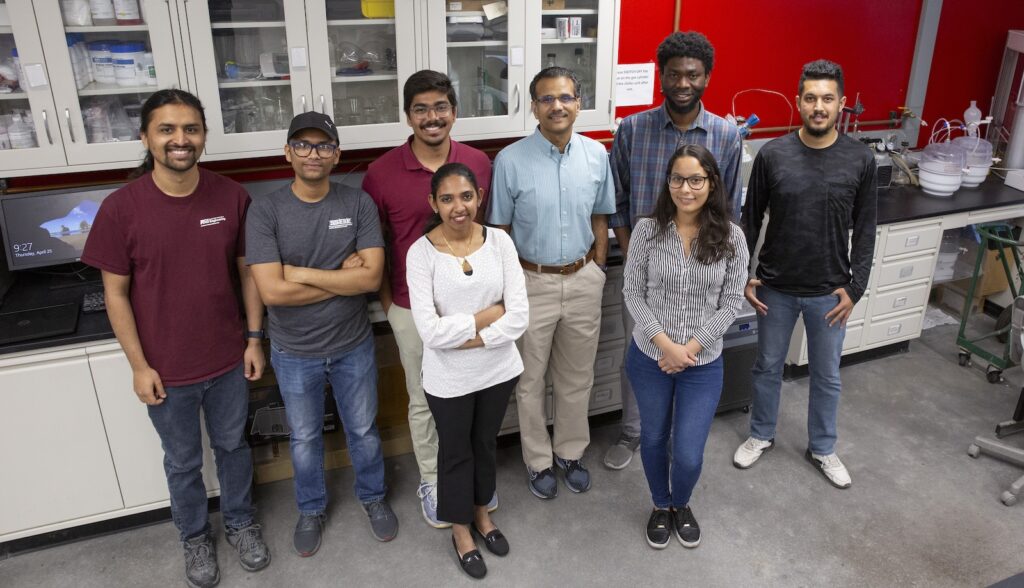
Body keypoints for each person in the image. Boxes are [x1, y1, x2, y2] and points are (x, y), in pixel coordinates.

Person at [81, 89, 270, 588]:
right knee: (184, 461)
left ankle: (240, 523)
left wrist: (253, 339)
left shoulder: (231, 196)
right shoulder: (122, 208)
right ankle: (193, 536)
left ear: (204, 137)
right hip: (166, 370)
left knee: (233, 448)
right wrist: (139, 367)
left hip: (228, 358)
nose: (179, 140)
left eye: (190, 129)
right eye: (166, 129)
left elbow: (248, 274)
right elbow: (115, 296)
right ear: (146, 137)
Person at [246, 112, 397, 556]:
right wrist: (336, 276)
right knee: (305, 438)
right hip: (294, 352)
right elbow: (272, 292)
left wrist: (302, 274)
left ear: (337, 155)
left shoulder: (357, 204)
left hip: (353, 345)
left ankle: (373, 498)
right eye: (304, 145)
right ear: (288, 152)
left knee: (364, 431)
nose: (315, 154)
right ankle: (310, 508)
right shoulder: (266, 210)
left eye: (324, 146)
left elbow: (370, 281)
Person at [735, 60, 877, 489]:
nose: (819, 107)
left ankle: (823, 447)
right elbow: (749, 219)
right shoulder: (773, 154)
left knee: (828, 375)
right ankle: (761, 434)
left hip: (829, 293)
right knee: (766, 367)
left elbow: (867, 227)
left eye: (828, 99)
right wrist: (743, 272)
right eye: (811, 98)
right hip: (775, 287)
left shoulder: (859, 158)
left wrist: (857, 287)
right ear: (798, 102)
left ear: (841, 104)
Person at [605, 30, 743, 471]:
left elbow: (733, 207)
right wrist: (632, 257)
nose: (684, 83)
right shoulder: (632, 129)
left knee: (692, 355)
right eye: (674, 74)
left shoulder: (726, 134)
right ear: (661, 77)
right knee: (643, 354)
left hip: (704, 272)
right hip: (646, 275)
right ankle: (635, 432)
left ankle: (679, 440)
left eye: (693, 75)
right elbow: (618, 202)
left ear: (707, 77)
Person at [362, 70, 495, 528]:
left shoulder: (478, 163)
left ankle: (473, 481)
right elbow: (374, 243)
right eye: (421, 108)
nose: (432, 117)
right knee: (424, 399)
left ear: (454, 113)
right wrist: (388, 304)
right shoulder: (380, 174)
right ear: (408, 116)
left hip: (473, 304)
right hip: (409, 309)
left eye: (440, 107)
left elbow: (487, 233)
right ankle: (434, 481)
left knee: (474, 395)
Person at [488, 66, 615, 499]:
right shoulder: (509, 160)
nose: (556, 106)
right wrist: (508, 288)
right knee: (529, 381)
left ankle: (570, 452)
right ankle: (538, 461)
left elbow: (601, 217)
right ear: (534, 107)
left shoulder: (598, 155)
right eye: (546, 99)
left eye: (565, 98)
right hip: (529, 282)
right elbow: (499, 231)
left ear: (578, 103)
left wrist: (597, 268)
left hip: (583, 279)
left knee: (577, 377)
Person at [623, 144, 748, 549]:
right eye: (678, 178)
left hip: (703, 361)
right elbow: (633, 292)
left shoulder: (732, 237)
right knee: (655, 437)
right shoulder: (647, 230)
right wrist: (665, 344)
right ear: (668, 182)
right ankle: (662, 505)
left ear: (712, 183)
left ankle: (682, 502)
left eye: (696, 179)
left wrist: (689, 348)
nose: (685, 188)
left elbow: (731, 302)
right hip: (649, 356)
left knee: (690, 452)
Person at [406, 163, 528, 578]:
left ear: (478, 196)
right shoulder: (420, 254)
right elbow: (431, 332)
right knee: (455, 452)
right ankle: (460, 531)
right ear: (433, 204)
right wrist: (489, 316)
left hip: (497, 370)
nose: (458, 207)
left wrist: (472, 334)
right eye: (447, 198)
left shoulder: (500, 243)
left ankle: (482, 514)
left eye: (466, 196)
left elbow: (519, 317)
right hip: (449, 379)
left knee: (485, 444)